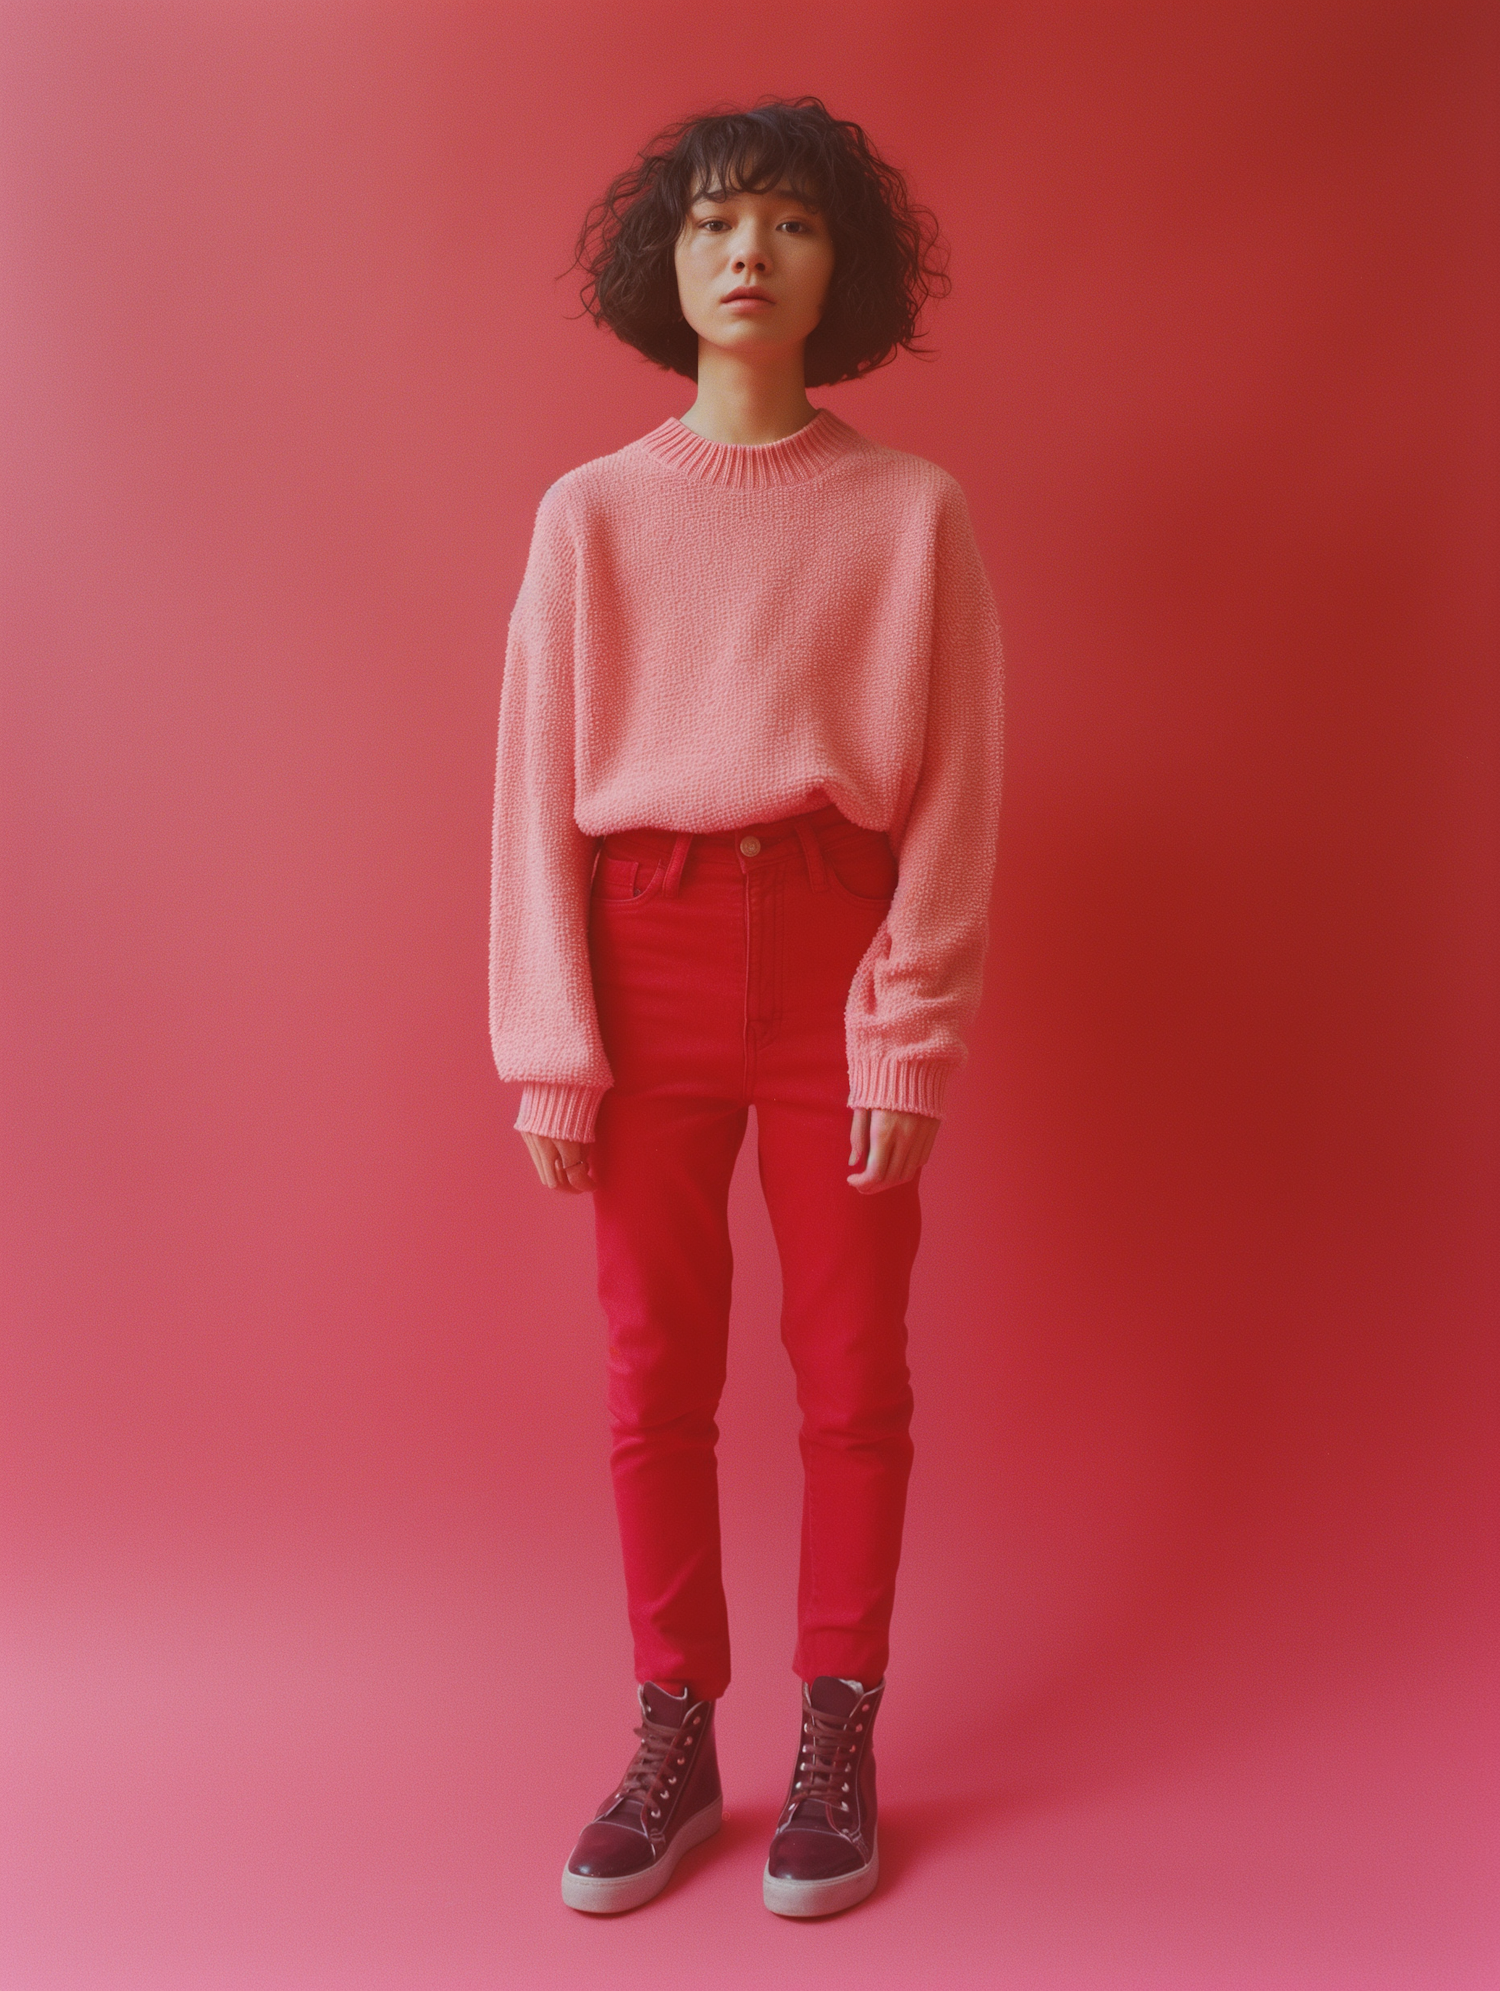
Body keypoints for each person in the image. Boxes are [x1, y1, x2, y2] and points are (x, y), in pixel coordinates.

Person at [488, 95, 1004, 1918]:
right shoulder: (591, 516)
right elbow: (534, 786)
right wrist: (553, 1045)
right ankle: (673, 1726)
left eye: (788, 222)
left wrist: (910, 1020)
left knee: (854, 1370)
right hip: (645, 950)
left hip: (838, 941)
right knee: (655, 1370)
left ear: (834, 265)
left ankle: (840, 1720)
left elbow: (955, 786)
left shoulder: (911, 513)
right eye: (714, 223)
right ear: (667, 266)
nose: (746, 252)